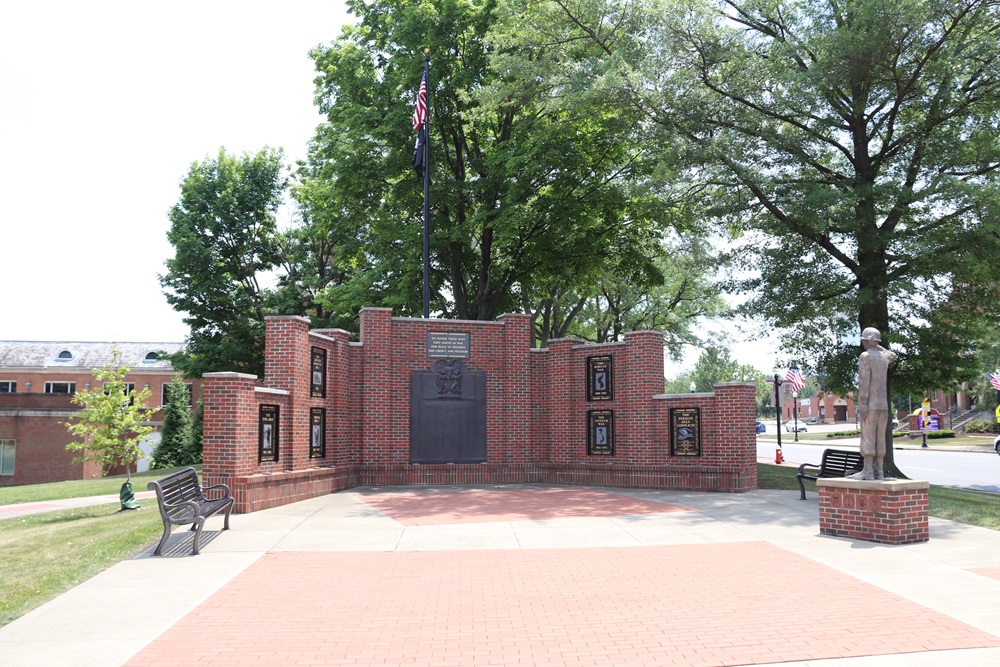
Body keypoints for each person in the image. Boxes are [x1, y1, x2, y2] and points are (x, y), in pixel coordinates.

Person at [853, 327, 897, 480]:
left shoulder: (865, 356)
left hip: (870, 404)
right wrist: (878, 346)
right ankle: (880, 472)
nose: (863, 342)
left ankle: (868, 472)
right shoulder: (884, 357)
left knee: (868, 436)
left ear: (867, 340)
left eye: (865, 340)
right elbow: (893, 355)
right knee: (880, 437)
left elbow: (864, 382)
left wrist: (863, 403)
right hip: (883, 405)